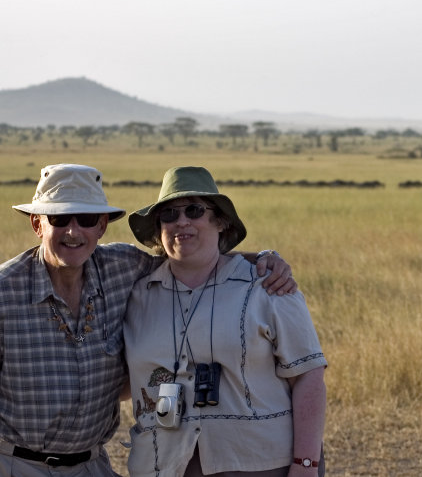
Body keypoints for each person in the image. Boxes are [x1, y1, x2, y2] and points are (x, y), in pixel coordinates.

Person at [0, 164, 296, 477]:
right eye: (59, 219)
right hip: (17, 465)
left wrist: (264, 260)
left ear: (101, 226)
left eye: (86, 219)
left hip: (92, 466)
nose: (73, 232)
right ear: (37, 224)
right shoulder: (5, 293)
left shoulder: (122, 268)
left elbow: (192, 257)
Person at [124, 166, 326, 477]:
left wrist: (306, 464)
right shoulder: (135, 295)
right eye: (169, 214)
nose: (181, 221)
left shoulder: (268, 286)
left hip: (260, 463)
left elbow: (308, 376)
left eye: (194, 210)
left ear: (220, 221)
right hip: (162, 464)